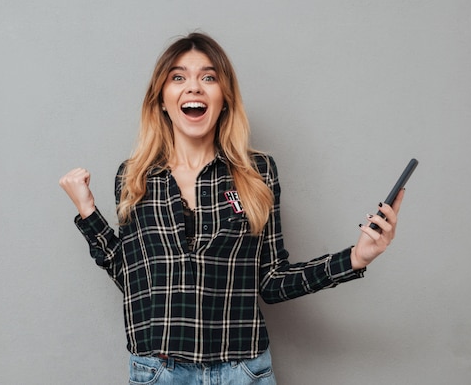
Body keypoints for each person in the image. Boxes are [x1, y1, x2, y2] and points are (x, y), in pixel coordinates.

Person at [59, 32, 405, 385]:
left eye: (208, 77)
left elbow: (271, 280)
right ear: (162, 99)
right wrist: (89, 214)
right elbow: (134, 282)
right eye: (178, 77)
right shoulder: (135, 177)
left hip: (242, 371)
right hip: (159, 372)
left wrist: (356, 258)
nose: (194, 87)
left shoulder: (258, 173)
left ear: (224, 98)